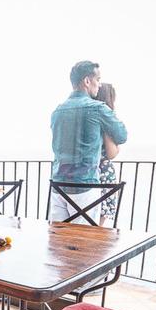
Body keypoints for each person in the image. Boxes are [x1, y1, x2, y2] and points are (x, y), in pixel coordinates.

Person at [49, 61, 127, 224]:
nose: (99, 85)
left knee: (57, 236)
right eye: (98, 80)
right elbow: (121, 136)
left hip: (58, 185)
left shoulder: (57, 111)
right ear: (87, 81)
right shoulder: (98, 108)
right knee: (84, 237)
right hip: (84, 187)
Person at [95, 83, 121, 225]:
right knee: (98, 221)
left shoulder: (90, 118)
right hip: (102, 172)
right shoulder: (106, 119)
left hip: (87, 170)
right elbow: (111, 153)